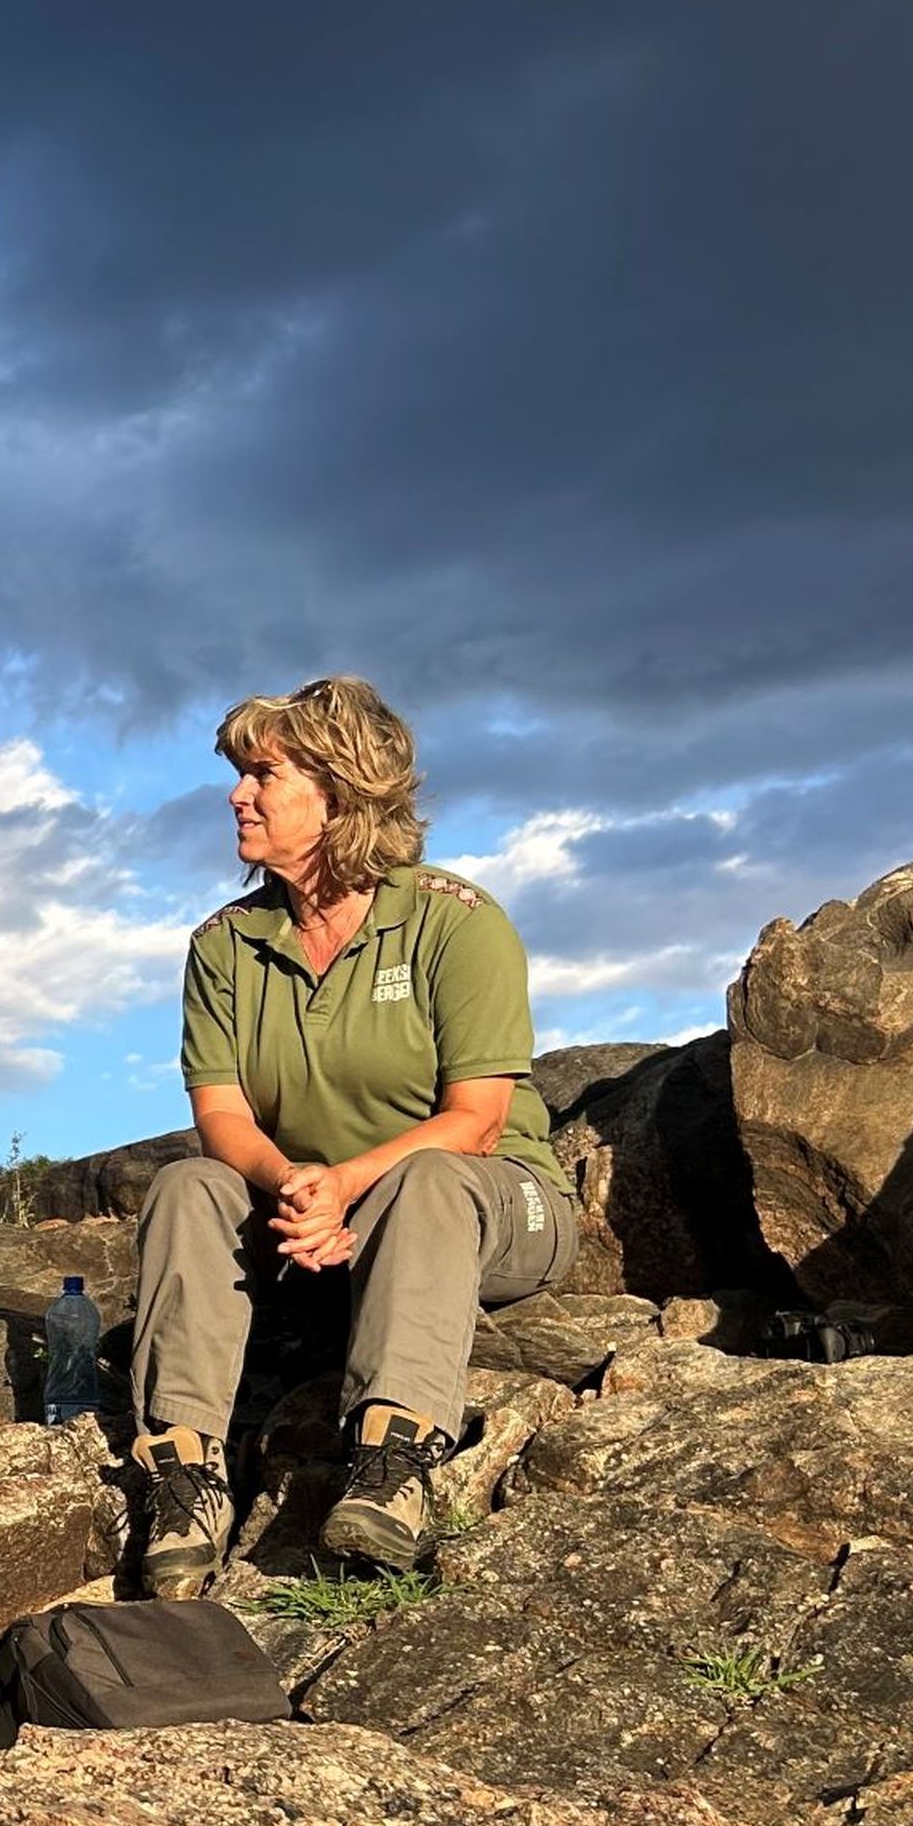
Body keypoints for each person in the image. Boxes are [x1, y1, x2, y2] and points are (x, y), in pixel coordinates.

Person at [128, 678, 571, 1593]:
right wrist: (296, 1182)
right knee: (185, 1186)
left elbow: (477, 1122)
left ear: (340, 792)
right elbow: (222, 1118)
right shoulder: (224, 944)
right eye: (239, 775)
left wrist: (346, 1186)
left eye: (262, 774)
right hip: (316, 1211)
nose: (235, 795)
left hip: (490, 1203)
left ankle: (391, 1466)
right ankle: (183, 1473)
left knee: (431, 1178)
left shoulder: (458, 921)